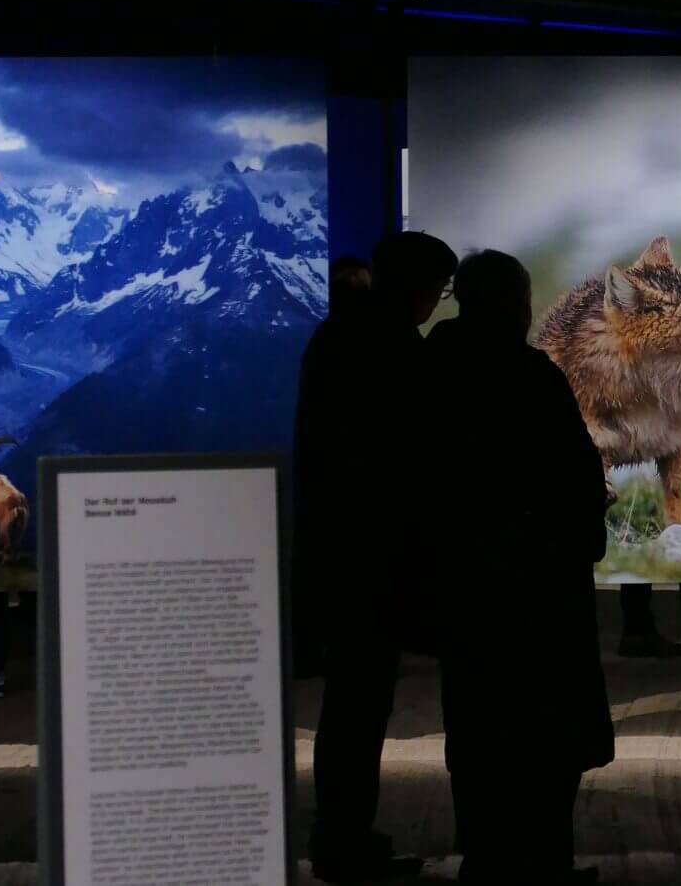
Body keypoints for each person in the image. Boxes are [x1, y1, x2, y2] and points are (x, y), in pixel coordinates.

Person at [427, 251, 614, 884]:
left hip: (466, 587)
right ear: (515, 304)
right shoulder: (530, 374)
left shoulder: (431, 372)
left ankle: (485, 858)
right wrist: (584, 525)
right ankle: (544, 862)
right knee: (546, 734)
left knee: (477, 730)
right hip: (540, 587)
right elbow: (571, 472)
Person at [295, 231, 457, 883]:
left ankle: (342, 833)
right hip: (374, 558)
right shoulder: (394, 346)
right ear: (417, 289)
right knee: (360, 708)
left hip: (338, 550)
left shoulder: (335, 336)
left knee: (352, 707)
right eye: (438, 292)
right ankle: (341, 840)